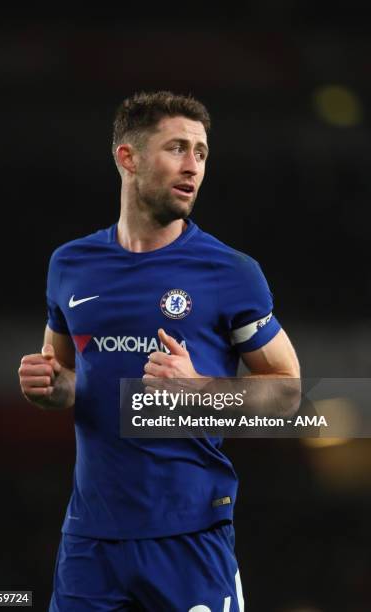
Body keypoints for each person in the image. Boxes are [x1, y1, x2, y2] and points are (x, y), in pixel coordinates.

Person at [18, 91, 300, 611]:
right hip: (90, 539)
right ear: (128, 157)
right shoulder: (70, 265)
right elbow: (69, 381)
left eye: (201, 152)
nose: (193, 166)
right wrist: (52, 388)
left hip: (189, 534)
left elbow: (287, 393)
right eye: (177, 148)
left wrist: (200, 392)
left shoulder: (230, 272)